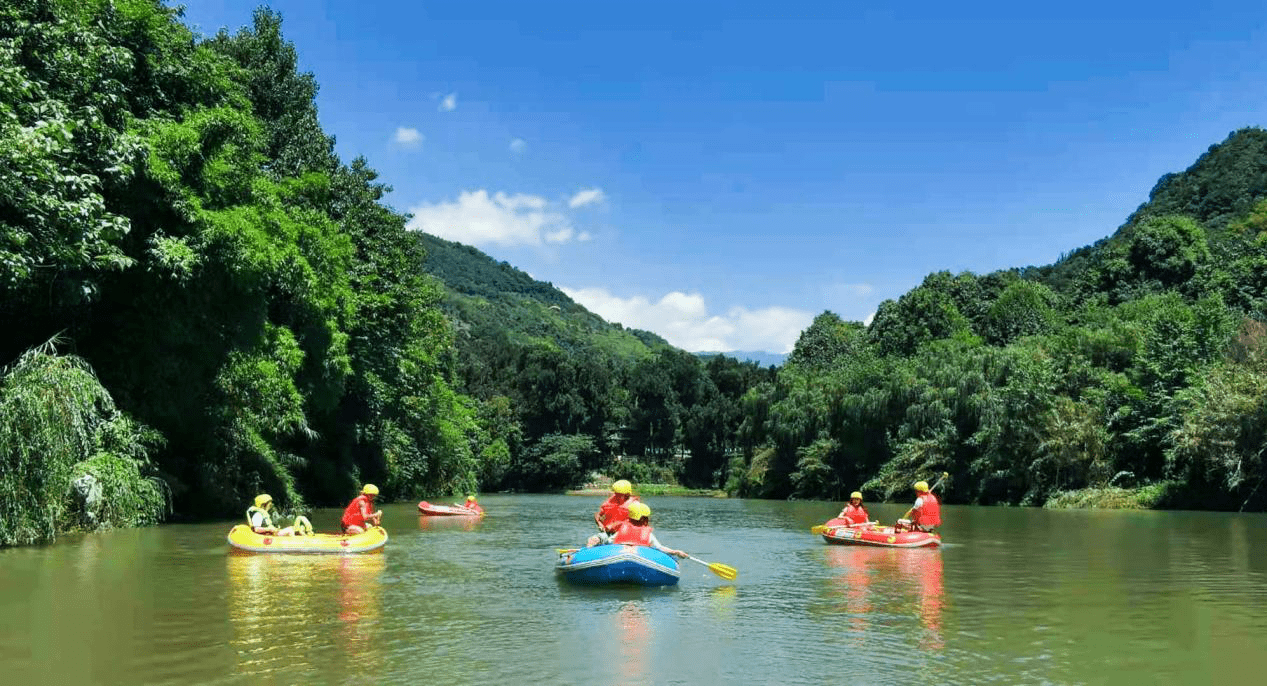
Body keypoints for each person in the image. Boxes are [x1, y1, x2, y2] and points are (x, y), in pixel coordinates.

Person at [605, 502, 687, 559]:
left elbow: (608, 541)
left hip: (618, 554)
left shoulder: (622, 530)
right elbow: (660, 548)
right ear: (644, 519)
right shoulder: (648, 535)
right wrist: (676, 552)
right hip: (642, 556)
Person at [586, 479, 639, 547]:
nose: (616, 495)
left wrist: (616, 524)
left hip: (626, 534)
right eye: (616, 493)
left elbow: (636, 523)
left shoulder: (635, 504)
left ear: (627, 494)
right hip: (609, 533)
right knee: (592, 540)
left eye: (619, 494)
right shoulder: (610, 501)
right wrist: (600, 524)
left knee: (612, 541)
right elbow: (598, 515)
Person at [246, 494, 311, 536]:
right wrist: (269, 529)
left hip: (273, 533)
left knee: (296, 525)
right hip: (267, 535)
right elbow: (256, 529)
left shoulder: (264, 514)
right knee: (290, 530)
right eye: (269, 503)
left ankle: (304, 536)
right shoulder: (258, 515)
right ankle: (297, 542)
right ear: (264, 504)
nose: (271, 505)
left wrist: (274, 529)